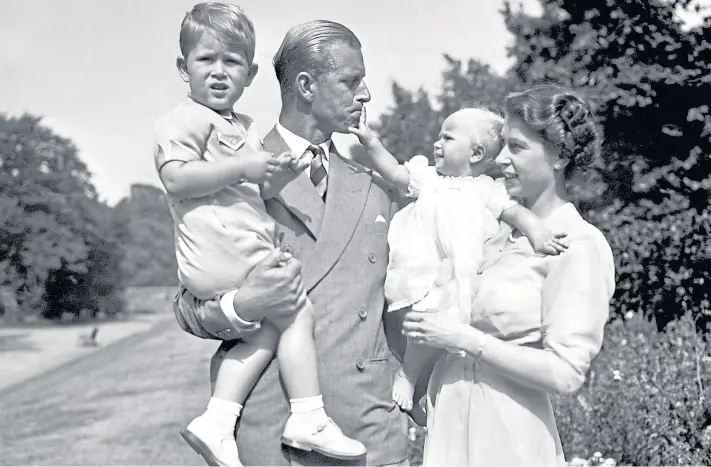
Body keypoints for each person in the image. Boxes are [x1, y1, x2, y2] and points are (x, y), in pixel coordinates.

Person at [175, 19, 410, 466]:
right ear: (306, 85)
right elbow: (187, 305)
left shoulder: (377, 188)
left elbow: (397, 303)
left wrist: (419, 379)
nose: (366, 95)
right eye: (351, 81)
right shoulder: (230, 175)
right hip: (269, 437)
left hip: (368, 435)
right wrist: (241, 306)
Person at [401, 84, 616, 465]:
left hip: (509, 439)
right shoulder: (487, 227)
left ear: (559, 157)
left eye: (515, 147)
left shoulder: (579, 244)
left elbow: (565, 373)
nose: (500, 159)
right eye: (500, 145)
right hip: (448, 430)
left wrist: (464, 338)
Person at [348, 106, 568, 424]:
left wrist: (538, 232)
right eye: (439, 136)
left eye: (447, 138)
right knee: (420, 329)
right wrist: (370, 141)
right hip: (421, 268)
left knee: (443, 341)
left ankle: (420, 394)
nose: (437, 144)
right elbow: (395, 172)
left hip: (460, 277)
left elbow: (516, 213)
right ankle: (408, 378)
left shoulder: (486, 190)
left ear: (476, 152)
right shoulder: (429, 180)